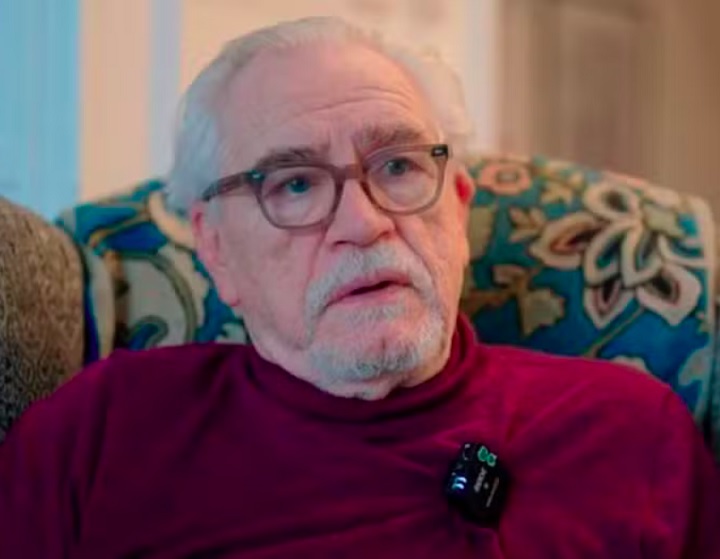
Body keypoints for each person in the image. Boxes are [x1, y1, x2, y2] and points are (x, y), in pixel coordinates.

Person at [0, 16, 718, 558]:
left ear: (458, 207)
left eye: (399, 166)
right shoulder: (98, 438)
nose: (364, 223)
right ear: (215, 247)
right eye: (295, 184)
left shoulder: (632, 434)